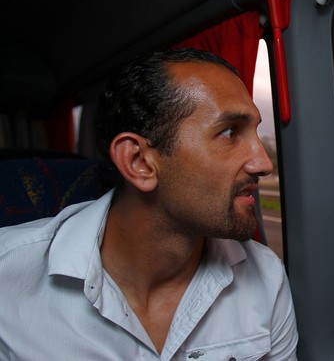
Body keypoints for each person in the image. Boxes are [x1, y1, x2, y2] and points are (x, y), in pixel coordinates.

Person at [0, 48, 298, 360]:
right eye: (229, 132)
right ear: (139, 162)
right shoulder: (8, 275)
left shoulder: (266, 277)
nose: (263, 163)